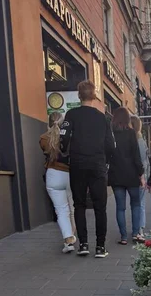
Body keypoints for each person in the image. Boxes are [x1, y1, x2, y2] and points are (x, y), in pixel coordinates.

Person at [60, 80, 115, 258]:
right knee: (100, 207)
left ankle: (83, 244)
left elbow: (64, 138)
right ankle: (100, 247)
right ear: (94, 96)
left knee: (79, 204)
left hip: (77, 164)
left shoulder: (71, 115)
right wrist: (105, 161)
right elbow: (110, 145)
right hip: (97, 165)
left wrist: (65, 150)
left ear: (79, 95)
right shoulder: (103, 117)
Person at [39, 112, 76, 253]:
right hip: (69, 175)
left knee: (61, 211)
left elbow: (45, 153)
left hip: (53, 175)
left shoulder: (43, 139)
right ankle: (73, 235)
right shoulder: (70, 139)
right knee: (72, 208)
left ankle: (68, 240)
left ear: (49, 123)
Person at [109, 107, 145, 245]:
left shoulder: (111, 134)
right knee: (135, 204)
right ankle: (135, 233)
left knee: (120, 207)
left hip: (116, 175)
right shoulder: (131, 133)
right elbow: (136, 156)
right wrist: (141, 174)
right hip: (131, 175)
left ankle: (123, 236)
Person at [131, 115, 149, 236]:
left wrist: (141, 176)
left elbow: (142, 161)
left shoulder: (137, 142)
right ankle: (139, 228)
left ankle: (139, 229)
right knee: (138, 203)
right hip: (141, 175)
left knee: (138, 203)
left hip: (139, 176)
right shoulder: (141, 141)